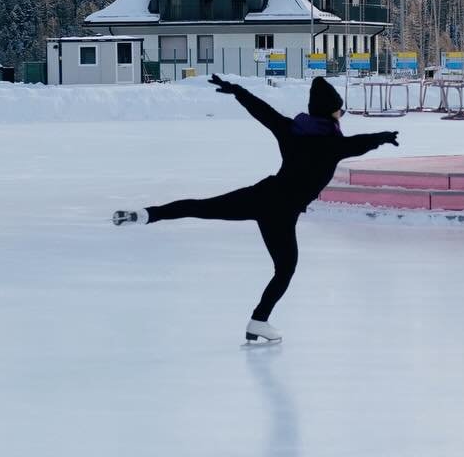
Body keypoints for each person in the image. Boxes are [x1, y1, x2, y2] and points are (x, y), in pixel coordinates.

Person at [112, 73, 398, 345]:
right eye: (340, 112)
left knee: (202, 207)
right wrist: (383, 136)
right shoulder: (333, 144)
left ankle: (148, 214)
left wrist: (238, 91)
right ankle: (258, 321)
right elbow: (359, 144)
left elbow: (263, 111)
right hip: (282, 214)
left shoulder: (292, 130)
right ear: (331, 112)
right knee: (285, 270)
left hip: (263, 196)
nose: (341, 117)